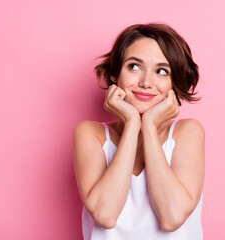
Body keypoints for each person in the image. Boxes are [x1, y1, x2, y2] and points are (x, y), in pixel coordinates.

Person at [73, 23, 205, 240]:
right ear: (116, 74)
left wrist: (150, 126)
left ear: (174, 82)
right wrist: (133, 124)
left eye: (162, 71)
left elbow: (172, 218)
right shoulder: (90, 135)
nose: (146, 82)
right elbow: (105, 215)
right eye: (134, 67)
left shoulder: (187, 133)